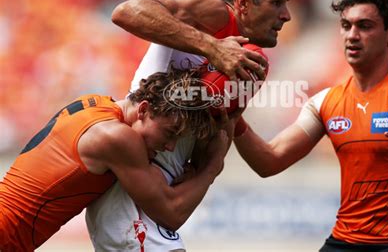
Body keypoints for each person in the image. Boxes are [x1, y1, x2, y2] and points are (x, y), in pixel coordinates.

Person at [86, 0, 292, 251]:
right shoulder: (215, 13)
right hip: (132, 185)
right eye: (278, 1)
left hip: (161, 190)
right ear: (243, 3)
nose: (286, 14)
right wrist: (212, 48)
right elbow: (125, 12)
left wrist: (221, 129)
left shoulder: (250, 61)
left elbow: (216, 145)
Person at [233, 0, 388, 251]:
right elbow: (269, 161)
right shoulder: (326, 102)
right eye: (346, 26)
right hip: (345, 241)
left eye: (365, 26)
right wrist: (232, 117)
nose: (352, 35)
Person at [0, 69, 234, 252]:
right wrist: (212, 166)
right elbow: (171, 214)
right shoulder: (118, 138)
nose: (170, 147)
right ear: (143, 110)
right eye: (169, 133)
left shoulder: (96, 104)